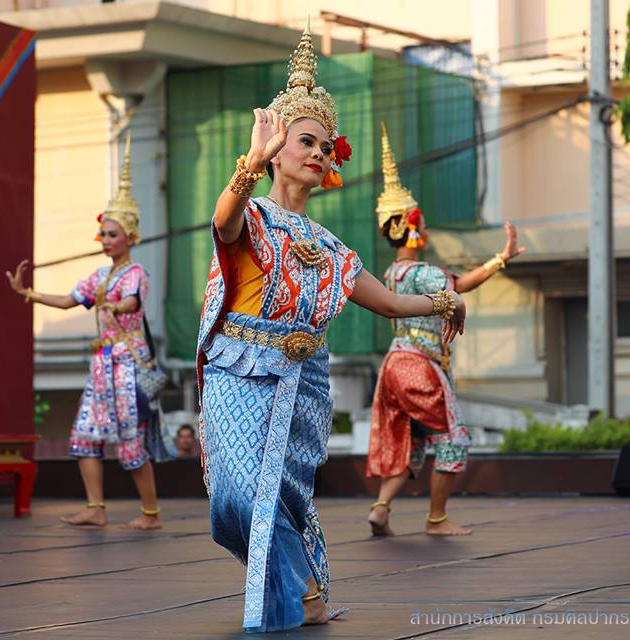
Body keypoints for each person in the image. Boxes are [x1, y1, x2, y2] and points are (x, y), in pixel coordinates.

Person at [197, 29, 467, 632]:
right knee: (236, 496)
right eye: (305, 141)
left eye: (325, 145)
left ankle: (307, 594)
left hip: (299, 380)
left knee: (278, 493)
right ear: (276, 150)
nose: (318, 153)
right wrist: (249, 166)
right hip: (239, 371)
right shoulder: (254, 215)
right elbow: (223, 221)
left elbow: (390, 304)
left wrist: (444, 299)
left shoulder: (331, 247)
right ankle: (303, 588)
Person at [366, 124, 525, 537]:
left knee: (413, 440)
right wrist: (497, 262)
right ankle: (436, 518)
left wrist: (499, 260)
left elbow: (456, 285)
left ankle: (381, 508)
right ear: (413, 227)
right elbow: (459, 289)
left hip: (394, 364)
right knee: (453, 438)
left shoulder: (393, 272)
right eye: (423, 224)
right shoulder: (425, 273)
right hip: (421, 364)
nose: (427, 231)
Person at [8, 137, 165, 530]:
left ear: (130, 236)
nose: (105, 241)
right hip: (101, 366)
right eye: (103, 234)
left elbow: (132, 302)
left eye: (112, 234)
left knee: (130, 441)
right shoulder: (99, 276)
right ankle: (96, 508)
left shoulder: (136, 273)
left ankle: (150, 513)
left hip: (127, 366)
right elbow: (68, 300)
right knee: (84, 436)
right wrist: (28, 293)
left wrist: (115, 306)